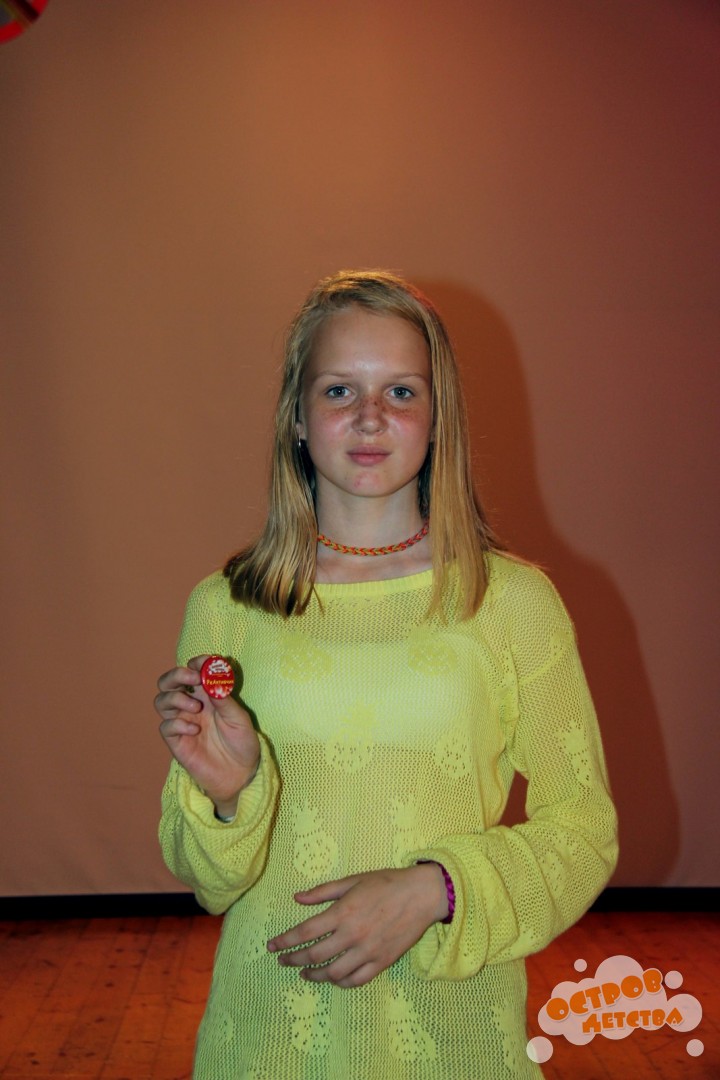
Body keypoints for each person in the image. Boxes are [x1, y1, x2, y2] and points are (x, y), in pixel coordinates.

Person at [155, 269, 618, 1079]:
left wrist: (437, 889)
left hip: (454, 1036)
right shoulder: (226, 607)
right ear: (297, 417)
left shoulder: (513, 602)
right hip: (267, 1036)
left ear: (439, 419)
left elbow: (584, 831)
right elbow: (206, 880)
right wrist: (230, 797)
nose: (370, 417)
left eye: (402, 391)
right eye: (339, 390)